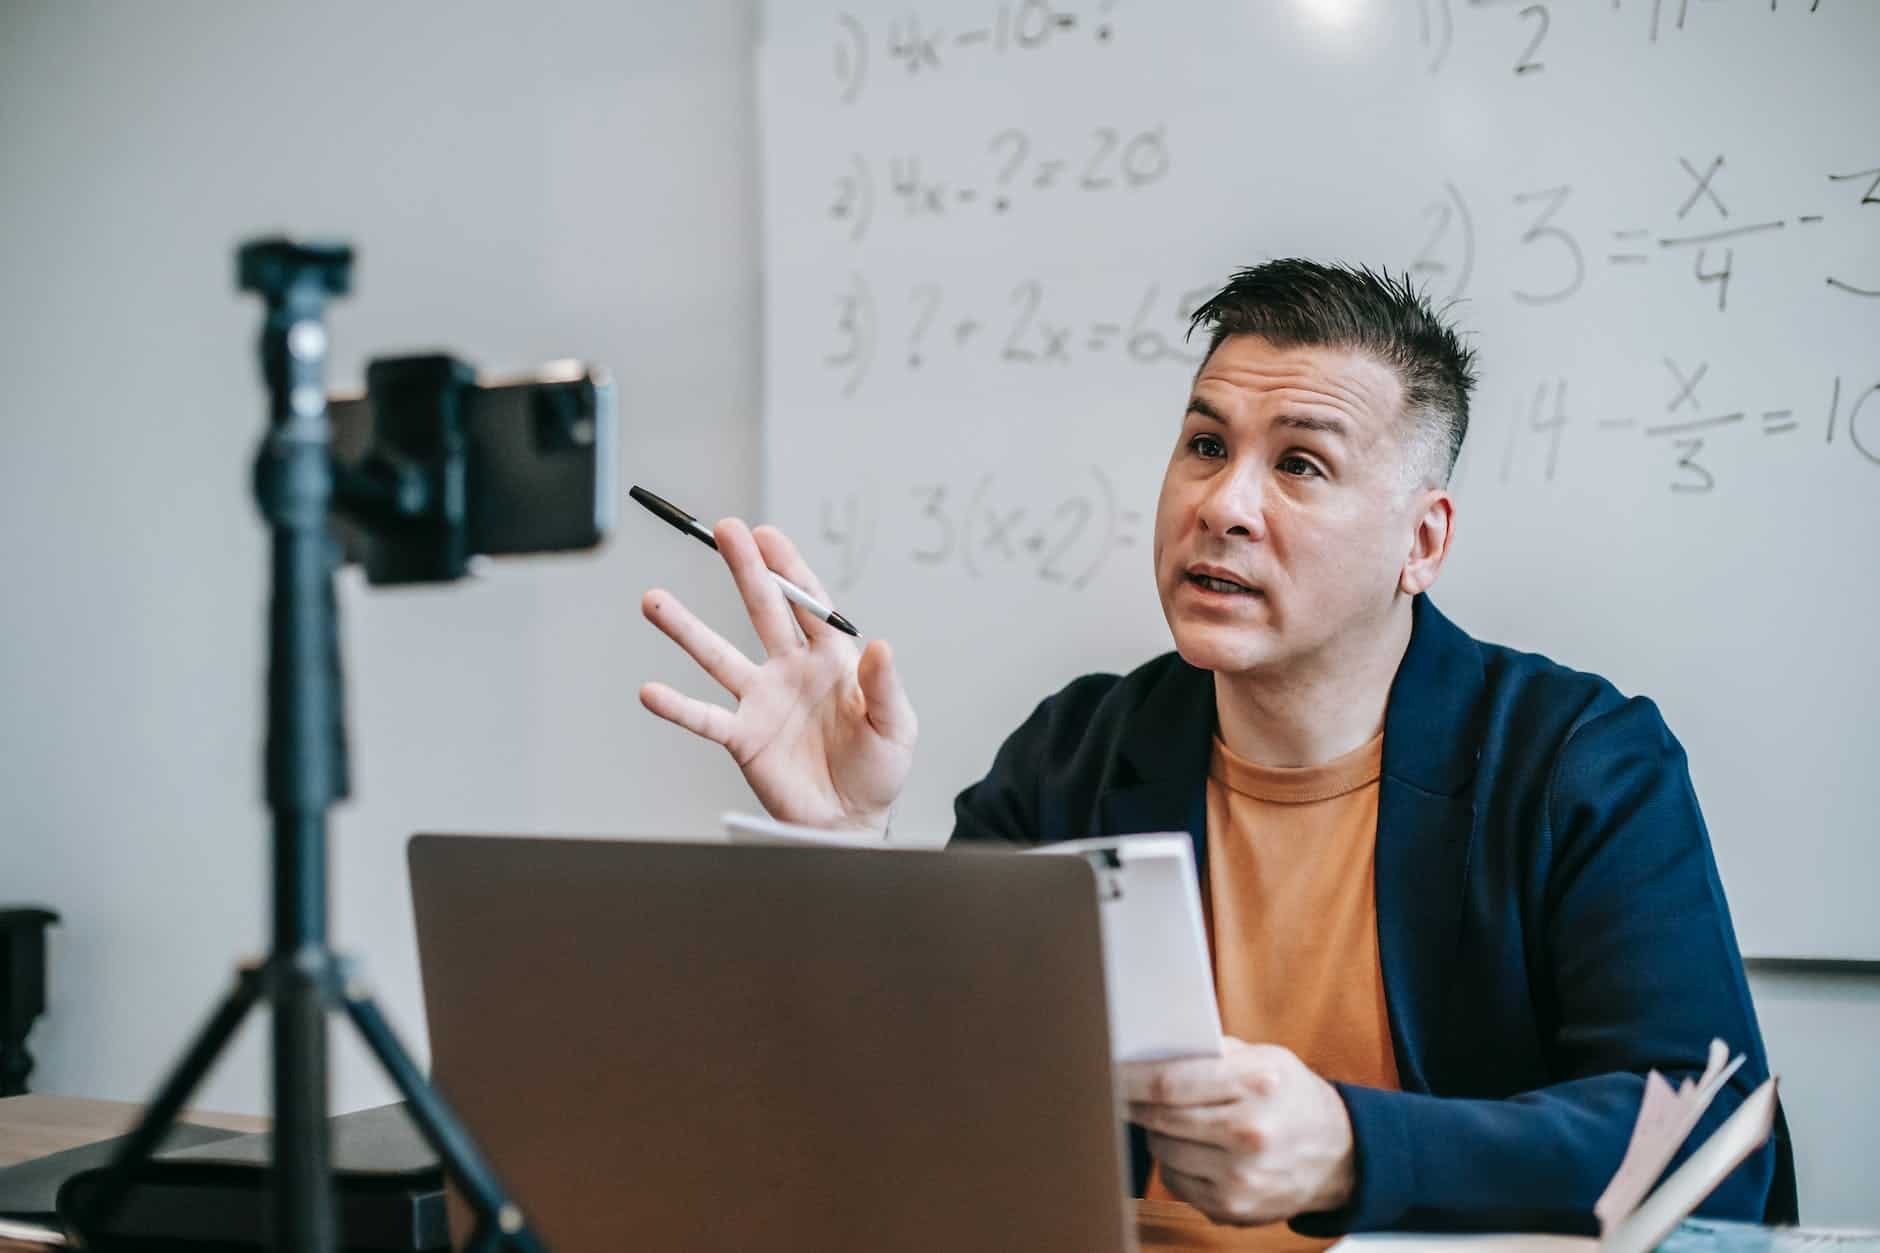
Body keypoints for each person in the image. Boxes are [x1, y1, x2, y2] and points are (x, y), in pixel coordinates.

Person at [636, 260, 1793, 1246]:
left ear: (1420, 540)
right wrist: (842, 847)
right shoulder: (1075, 753)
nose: (1222, 503)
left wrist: (1352, 1146)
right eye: (1203, 444)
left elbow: (1711, 1146)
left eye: (1298, 464)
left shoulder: (1578, 761)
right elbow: (917, 1118)